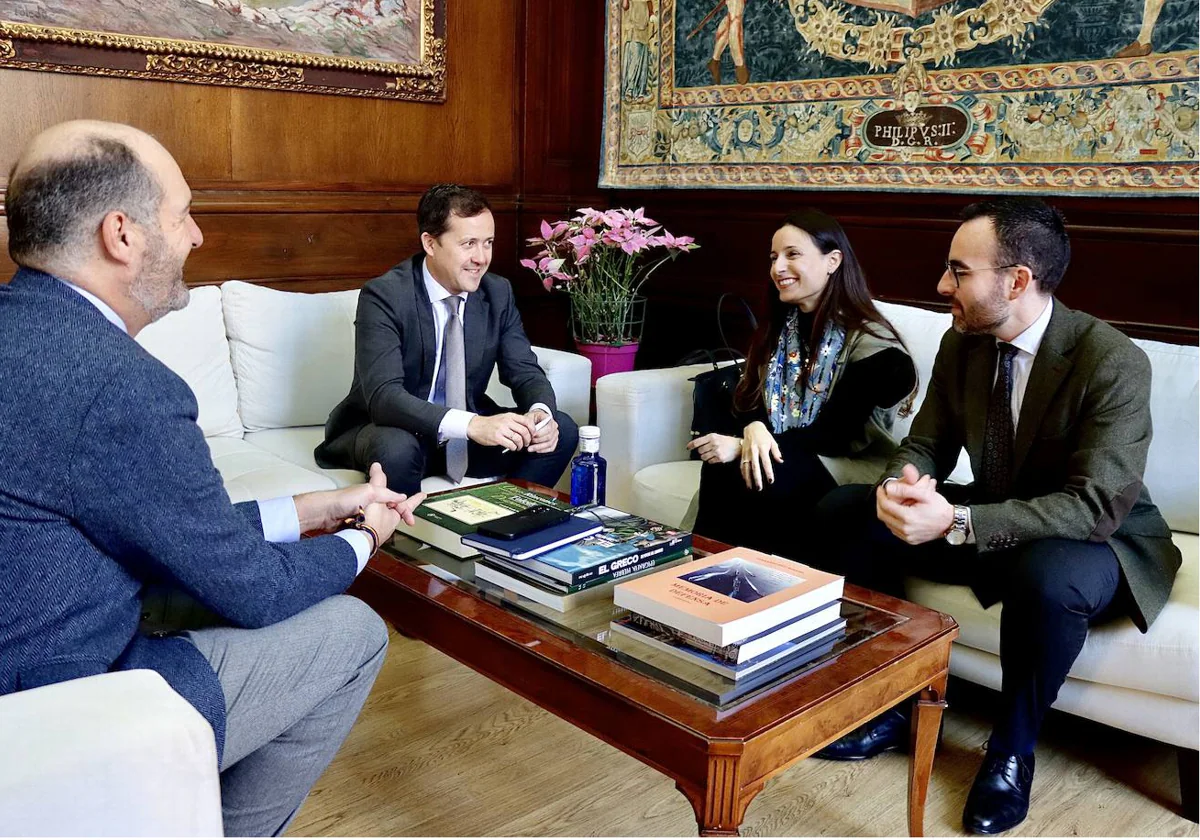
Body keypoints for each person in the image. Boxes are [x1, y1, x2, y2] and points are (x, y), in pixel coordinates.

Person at [0, 120, 427, 837]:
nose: (196, 235)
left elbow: (158, 523)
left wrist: (312, 508)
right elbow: (252, 590)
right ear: (122, 235)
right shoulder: (119, 385)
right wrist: (367, 536)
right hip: (53, 710)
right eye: (183, 213)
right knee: (352, 632)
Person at [812, 197, 1181, 835]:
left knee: (1047, 575)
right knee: (845, 510)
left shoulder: (1111, 360)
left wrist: (956, 524)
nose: (941, 285)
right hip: (1004, 516)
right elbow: (926, 443)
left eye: (958, 271)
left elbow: (1093, 503)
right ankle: (895, 706)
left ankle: (1011, 752)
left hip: (1098, 538)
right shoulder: (966, 345)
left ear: (1016, 281)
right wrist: (901, 488)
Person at [316, 184, 579, 495]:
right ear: (430, 243)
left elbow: (524, 370)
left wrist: (540, 415)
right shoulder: (385, 295)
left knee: (562, 430)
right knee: (396, 448)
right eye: (468, 243)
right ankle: (407, 540)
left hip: (464, 440)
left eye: (488, 243)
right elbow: (384, 397)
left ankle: (501, 520)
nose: (481, 258)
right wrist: (472, 425)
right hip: (390, 429)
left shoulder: (497, 293)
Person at [686, 208, 916, 557]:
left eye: (792, 255)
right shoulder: (784, 330)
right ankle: (697, 581)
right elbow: (751, 402)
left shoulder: (876, 346)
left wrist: (745, 442)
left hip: (852, 463)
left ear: (832, 261)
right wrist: (752, 430)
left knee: (755, 471)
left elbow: (836, 435)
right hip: (797, 451)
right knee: (733, 468)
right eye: (774, 257)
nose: (778, 268)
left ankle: (762, 593)